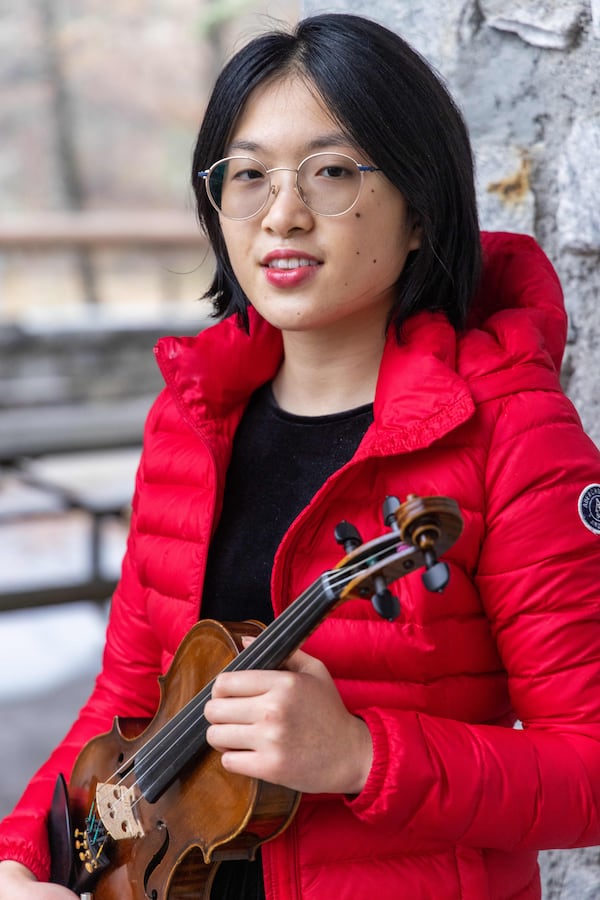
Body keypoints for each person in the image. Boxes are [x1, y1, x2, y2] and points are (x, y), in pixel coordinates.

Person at [0, 11, 599, 900]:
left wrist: (362, 754)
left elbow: (589, 772)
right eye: (247, 175)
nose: (282, 213)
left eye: (331, 172)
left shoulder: (513, 438)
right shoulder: (191, 423)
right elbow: (126, 702)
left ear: (420, 213)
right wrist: (24, 856)